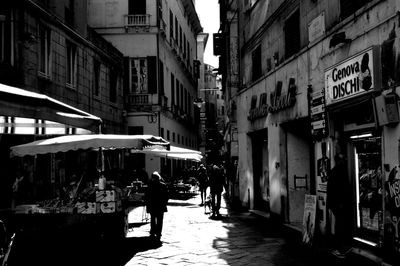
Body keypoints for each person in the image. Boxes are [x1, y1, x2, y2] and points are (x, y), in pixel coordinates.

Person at [327, 152, 352, 258]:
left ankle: (341, 247)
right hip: (339, 204)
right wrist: (340, 203)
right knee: (341, 225)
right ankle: (340, 248)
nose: (344, 161)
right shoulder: (339, 171)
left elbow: (331, 189)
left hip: (337, 204)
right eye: (342, 160)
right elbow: (338, 189)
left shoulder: (335, 171)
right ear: (338, 160)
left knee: (340, 224)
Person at [145, 171, 169, 241]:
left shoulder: (150, 185)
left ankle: (153, 231)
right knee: (160, 220)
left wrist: (147, 203)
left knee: (153, 219)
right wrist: (164, 203)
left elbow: (147, 195)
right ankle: (158, 233)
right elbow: (167, 196)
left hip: (153, 205)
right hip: (161, 205)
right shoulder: (163, 185)